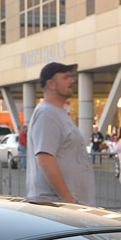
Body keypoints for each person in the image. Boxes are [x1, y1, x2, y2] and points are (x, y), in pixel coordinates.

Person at [27, 62, 95, 204]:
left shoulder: (56, 113)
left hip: (64, 207)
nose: (72, 81)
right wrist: (67, 199)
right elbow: (45, 158)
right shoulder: (47, 114)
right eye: (66, 77)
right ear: (51, 84)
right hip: (56, 207)